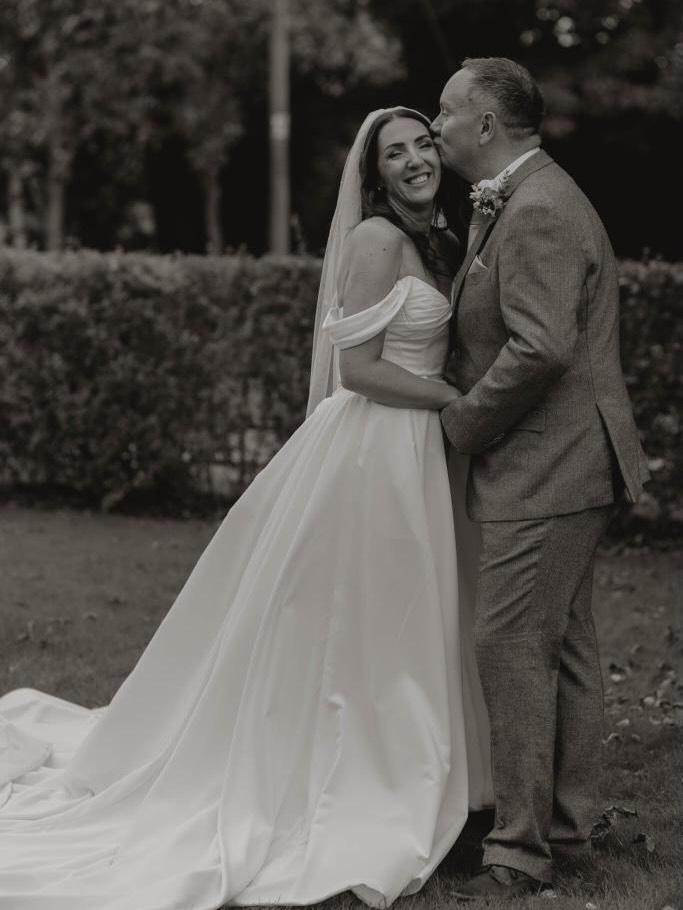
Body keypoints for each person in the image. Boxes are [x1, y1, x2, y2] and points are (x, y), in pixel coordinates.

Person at [0, 108, 492, 910]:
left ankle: (433, 772)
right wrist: (453, 399)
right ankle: (366, 775)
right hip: (378, 450)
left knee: (413, 614)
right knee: (374, 619)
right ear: (373, 176)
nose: (413, 161)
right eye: (393, 154)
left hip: (418, 450)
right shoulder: (376, 240)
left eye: (421, 145)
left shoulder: (437, 236)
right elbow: (359, 369)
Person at [429, 57, 650, 900]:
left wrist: (460, 422)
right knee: (564, 647)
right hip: (563, 459)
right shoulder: (523, 196)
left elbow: (540, 348)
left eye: (446, 112)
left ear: (486, 124)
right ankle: (567, 828)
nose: (436, 125)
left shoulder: (540, 208)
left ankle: (518, 853)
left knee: (511, 644)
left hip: (549, 462)